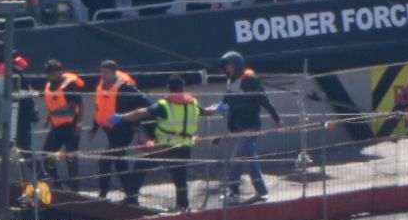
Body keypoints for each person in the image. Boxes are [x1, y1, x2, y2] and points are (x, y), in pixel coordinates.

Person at [116, 74, 206, 211]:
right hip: (185, 145)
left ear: (168, 88)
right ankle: (183, 206)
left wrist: (122, 117)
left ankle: (131, 198)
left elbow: (143, 112)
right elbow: (206, 112)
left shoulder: (165, 104)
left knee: (141, 165)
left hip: (166, 146)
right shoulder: (193, 103)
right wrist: (219, 108)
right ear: (182, 88)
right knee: (180, 177)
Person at [214, 51, 282, 204]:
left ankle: (233, 192)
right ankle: (262, 191)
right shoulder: (231, 82)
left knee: (236, 159)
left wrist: (277, 119)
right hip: (239, 126)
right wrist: (218, 108)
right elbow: (226, 101)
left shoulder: (249, 81)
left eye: (229, 66)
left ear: (236, 65)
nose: (227, 70)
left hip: (251, 126)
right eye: (225, 67)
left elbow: (265, 101)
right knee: (250, 160)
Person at [89, 60, 152, 202]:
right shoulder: (101, 86)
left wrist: (135, 120)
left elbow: (145, 103)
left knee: (105, 160)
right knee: (119, 162)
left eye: (106, 72)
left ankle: (103, 194)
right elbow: (99, 108)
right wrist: (94, 128)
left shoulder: (125, 87)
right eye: (102, 72)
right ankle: (131, 194)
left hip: (124, 129)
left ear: (114, 73)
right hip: (110, 130)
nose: (103, 75)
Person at [0, 40, 35, 172]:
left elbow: (23, 89)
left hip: (20, 111)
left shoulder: (13, 67)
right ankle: (0, 177)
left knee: (23, 145)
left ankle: (40, 175)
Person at [41, 59, 85, 191]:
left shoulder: (69, 86)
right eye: (49, 75)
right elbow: (52, 105)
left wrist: (79, 123)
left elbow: (80, 104)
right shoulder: (49, 86)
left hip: (70, 126)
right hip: (56, 126)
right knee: (47, 154)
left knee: (70, 157)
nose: (52, 77)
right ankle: (57, 182)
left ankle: (74, 188)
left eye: (54, 74)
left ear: (60, 73)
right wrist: (48, 119)